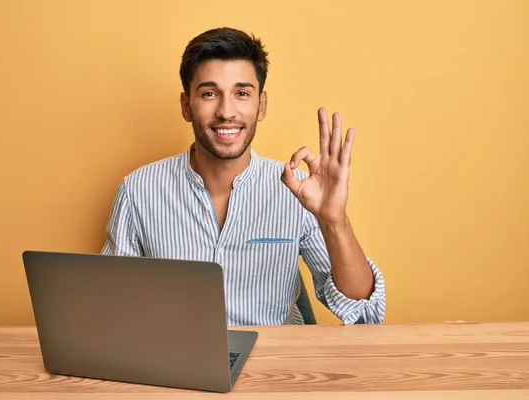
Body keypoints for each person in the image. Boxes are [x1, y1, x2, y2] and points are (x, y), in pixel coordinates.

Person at [102, 27, 386, 325]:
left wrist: (334, 220)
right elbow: (112, 310)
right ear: (187, 106)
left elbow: (366, 315)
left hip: (277, 365)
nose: (227, 112)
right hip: (178, 363)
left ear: (260, 105)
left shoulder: (300, 191)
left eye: (241, 94)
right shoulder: (138, 191)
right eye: (209, 93)